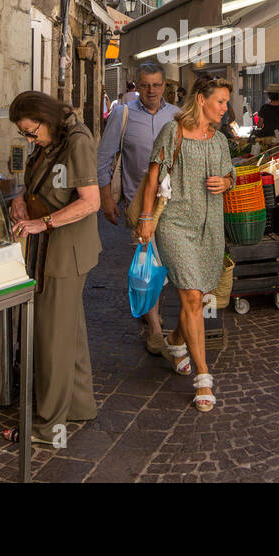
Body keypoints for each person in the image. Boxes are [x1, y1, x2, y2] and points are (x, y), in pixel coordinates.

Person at [4, 91, 101, 445]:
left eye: (31, 132)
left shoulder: (76, 141)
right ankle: (78, 405)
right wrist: (20, 197)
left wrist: (42, 222)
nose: (30, 139)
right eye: (26, 135)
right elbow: (41, 183)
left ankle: (47, 426)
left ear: (46, 119)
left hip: (64, 252)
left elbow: (90, 202)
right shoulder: (51, 141)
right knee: (68, 334)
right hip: (53, 249)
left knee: (51, 339)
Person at [136, 76, 235, 411]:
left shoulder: (220, 140)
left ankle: (177, 341)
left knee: (200, 292)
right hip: (175, 224)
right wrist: (146, 219)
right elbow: (153, 176)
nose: (225, 107)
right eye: (220, 101)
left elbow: (230, 176)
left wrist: (226, 181)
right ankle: (203, 378)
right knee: (192, 295)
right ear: (202, 100)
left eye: (226, 101)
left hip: (209, 224)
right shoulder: (173, 131)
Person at [95, 61, 179, 355]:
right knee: (149, 264)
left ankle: (150, 312)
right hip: (138, 205)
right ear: (136, 85)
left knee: (168, 264)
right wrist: (106, 199)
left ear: (165, 85)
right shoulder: (123, 114)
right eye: (145, 85)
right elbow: (104, 158)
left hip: (174, 203)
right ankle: (154, 329)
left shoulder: (176, 116)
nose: (151, 91)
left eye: (156, 85)